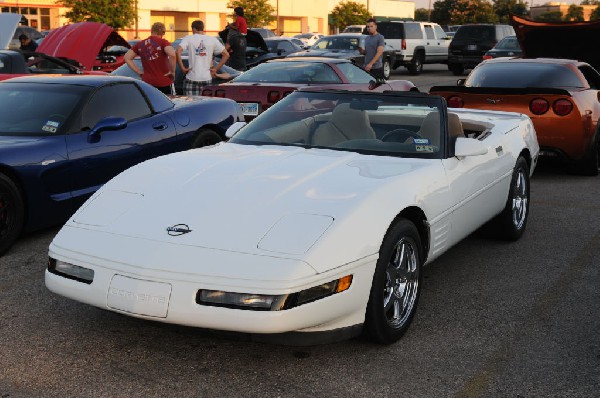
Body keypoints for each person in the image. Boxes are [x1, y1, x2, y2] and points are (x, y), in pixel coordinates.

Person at [176, 20, 229, 96]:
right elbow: (226, 55)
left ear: (193, 29)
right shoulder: (212, 39)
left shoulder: (188, 38)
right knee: (205, 105)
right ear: (202, 28)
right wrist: (216, 69)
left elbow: (178, 51)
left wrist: (183, 68)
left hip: (192, 78)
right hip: (206, 78)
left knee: (191, 105)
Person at [124, 22, 176, 95]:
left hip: (147, 83)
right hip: (164, 82)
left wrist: (139, 72)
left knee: (151, 105)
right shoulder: (163, 42)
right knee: (169, 103)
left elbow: (127, 57)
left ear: (152, 31)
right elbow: (172, 54)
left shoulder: (140, 44)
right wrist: (172, 71)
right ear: (163, 32)